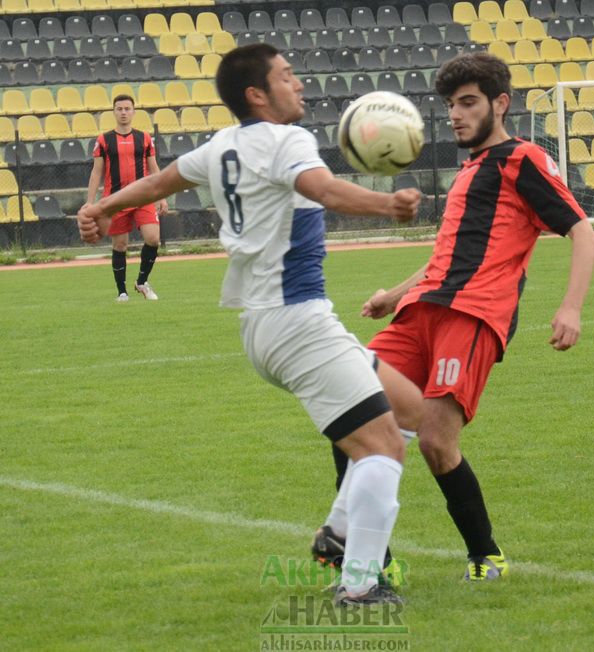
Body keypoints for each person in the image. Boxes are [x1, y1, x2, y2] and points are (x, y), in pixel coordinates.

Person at [77, 44, 423, 606]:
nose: (300, 86)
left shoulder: (223, 145)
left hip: (269, 323)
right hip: (295, 322)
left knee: (410, 410)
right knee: (384, 450)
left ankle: (337, 534)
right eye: (288, 78)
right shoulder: (288, 140)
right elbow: (323, 190)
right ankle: (360, 587)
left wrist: (100, 208)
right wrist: (389, 206)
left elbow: (160, 182)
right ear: (257, 95)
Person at [313, 52, 594, 582]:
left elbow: (582, 230)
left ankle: (485, 556)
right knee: (351, 412)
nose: (456, 115)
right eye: (451, 105)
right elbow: (446, 256)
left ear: (500, 103)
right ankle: (372, 561)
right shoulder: (471, 170)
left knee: (436, 443)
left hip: (473, 317)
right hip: (422, 311)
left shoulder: (522, 159)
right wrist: (395, 295)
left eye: (468, 103)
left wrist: (571, 306)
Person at [86, 94, 169, 302]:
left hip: (143, 196)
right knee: (120, 245)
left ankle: (142, 281)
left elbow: (153, 167)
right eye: (119, 109)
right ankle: (121, 292)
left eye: (127, 108)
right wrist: (90, 201)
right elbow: (96, 172)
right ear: (114, 112)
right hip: (116, 199)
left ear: (133, 111)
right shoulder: (104, 140)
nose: (123, 112)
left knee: (153, 238)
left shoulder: (145, 138)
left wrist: (162, 195)